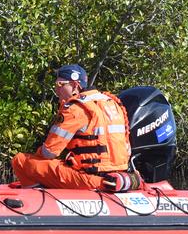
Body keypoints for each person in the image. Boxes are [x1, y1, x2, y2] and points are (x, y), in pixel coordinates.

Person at [11, 64, 140, 191]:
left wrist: (37, 156)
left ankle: (36, 198)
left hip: (91, 179)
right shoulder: (113, 103)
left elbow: (49, 152)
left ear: (75, 85)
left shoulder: (75, 108)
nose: (57, 89)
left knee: (20, 160)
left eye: (60, 85)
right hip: (118, 173)